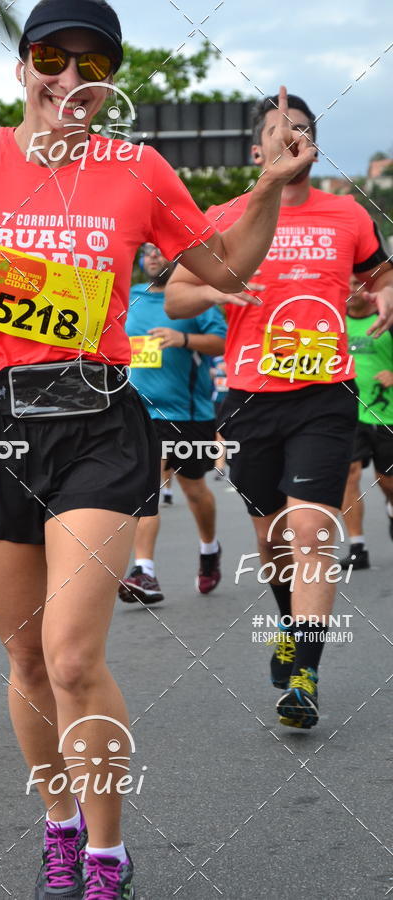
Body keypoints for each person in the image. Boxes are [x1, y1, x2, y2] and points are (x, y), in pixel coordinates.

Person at [0, 4, 316, 894]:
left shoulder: (139, 169)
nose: (68, 76)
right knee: (31, 660)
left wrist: (268, 187)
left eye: (91, 62)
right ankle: (61, 826)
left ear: (108, 78)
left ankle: (110, 852)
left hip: (98, 421)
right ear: (23, 68)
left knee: (76, 656)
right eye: (51, 55)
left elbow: (227, 273)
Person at [166, 93, 393, 731]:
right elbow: (178, 297)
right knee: (271, 537)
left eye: (301, 130)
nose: (289, 138)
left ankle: (304, 672)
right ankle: (289, 626)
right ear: (257, 152)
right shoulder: (228, 215)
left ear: (312, 147)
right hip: (248, 400)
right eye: (277, 131)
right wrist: (220, 288)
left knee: (312, 531)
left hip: (325, 394)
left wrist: (382, 296)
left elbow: (378, 279)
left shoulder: (348, 214)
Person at [120, 242, 226, 604]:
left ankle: (210, 548)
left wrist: (181, 338)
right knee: (147, 488)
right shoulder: (129, 297)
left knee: (195, 491)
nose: (153, 256)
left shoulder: (194, 298)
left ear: (178, 258)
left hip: (189, 413)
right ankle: (144, 572)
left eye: (161, 250)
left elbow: (220, 343)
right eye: (147, 251)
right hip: (141, 412)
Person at [340, 273, 393, 569]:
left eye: (357, 283)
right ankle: (357, 546)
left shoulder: (388, 317)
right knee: (348, 474)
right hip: (349, 413)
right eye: (346, 284)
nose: (351, 290)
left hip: (387, 415)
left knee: (387, 482)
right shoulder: (334, 321)